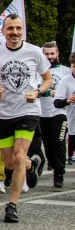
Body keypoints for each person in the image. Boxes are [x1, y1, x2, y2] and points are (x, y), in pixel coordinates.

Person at [0, 14, 51, 223]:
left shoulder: (34, 52)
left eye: (18, 28)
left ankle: (11, 206)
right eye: (10, 28)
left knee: (19, 156)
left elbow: (47, 79)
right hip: (4, 114)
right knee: (10, 163)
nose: (15, 33)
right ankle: (33, 164)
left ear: (23, 31)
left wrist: (37, 92)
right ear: (3, 32)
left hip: (27, 110)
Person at [39, 41, 70, 189]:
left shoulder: (65, 71)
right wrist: (46, 92)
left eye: (52, 54)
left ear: (57, 53)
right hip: (42, 113)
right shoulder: (38, 71)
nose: (50, 56)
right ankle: (51, 162)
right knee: (48, 143)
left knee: (59, 142)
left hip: (60, 113)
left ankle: (59, 174)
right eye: (47, 54)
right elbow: (33, 88)